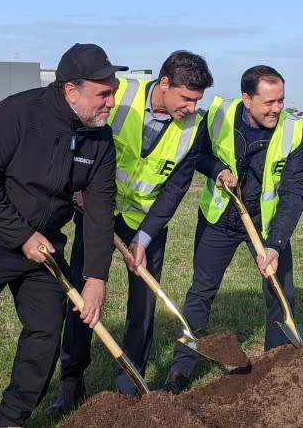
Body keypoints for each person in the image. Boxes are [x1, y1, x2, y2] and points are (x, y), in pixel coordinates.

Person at [0, 43, 126, 428]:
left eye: (112, 91)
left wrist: (96, 276)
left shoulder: (100, 140)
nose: (111, 101)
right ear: (71, 90)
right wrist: (21, 235)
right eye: (103, 93)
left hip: (43, 246)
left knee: (47, 334)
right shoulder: (16, 114)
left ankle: (12, 419)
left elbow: (100, 210)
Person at [46, 51, 213, 415]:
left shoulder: (194, 127)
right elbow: (80, 138)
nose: (191, 107)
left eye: (197, 101)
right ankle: (71, 380)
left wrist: (144, 237)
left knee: (143, 307)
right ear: (164, 84)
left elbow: (175, 188)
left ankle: (129, 387)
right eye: (186, 98)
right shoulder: (120, 95)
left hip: (146, 226)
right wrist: (78, 188)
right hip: (95, 214)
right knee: (82, 294)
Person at [159, 65, 303, 394]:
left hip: (266, 226)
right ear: (246, 98)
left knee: (281, 294)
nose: (277, 108)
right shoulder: (217, 116)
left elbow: (294, 195)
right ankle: (179, 373)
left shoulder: (293, 132)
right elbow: (197, 155)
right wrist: (218, 170)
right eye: (269, 102)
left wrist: (274, 245)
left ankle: (276, 368)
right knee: (200, 294)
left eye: (281, 100)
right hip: (220, 221)